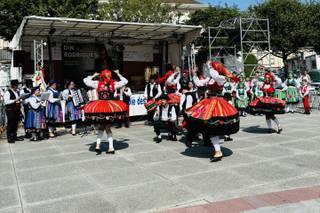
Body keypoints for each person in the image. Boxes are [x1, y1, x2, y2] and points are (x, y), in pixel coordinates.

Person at [186, 61, 240, 162]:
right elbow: (199, 83)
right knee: (209, 127)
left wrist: (210, 66)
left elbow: (214, 75)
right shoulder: (210, 79)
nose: (211, 69)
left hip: (217, 103)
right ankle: (216, 149)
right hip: (209, 102)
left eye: (214, 68)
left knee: (213, 127)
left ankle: (218, 151)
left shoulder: (220, 78)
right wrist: (194, 74)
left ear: (217, 69)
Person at [83, 69, 128, 154]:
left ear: (102, 76)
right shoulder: (114, 84)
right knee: (106, 127)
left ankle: (100, 145)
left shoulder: (97, 83)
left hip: (100, 107)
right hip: (110, 108)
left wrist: (93, 75)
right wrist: (119, 74)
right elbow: (125, 81)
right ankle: (109, 147)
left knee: (103, 127)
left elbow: (85, 81)